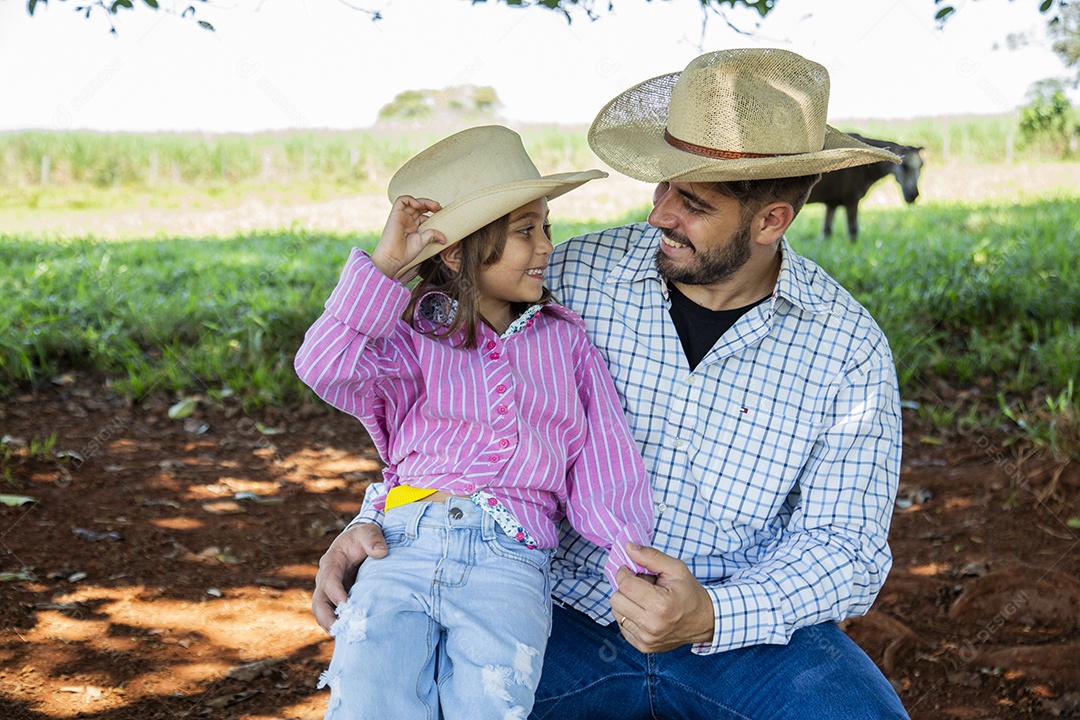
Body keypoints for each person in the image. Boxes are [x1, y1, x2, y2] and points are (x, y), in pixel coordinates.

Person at [310, 48, 911, 719]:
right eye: (661, 186)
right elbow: (444, 401)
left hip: (740, 639)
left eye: (692, 202)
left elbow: (848, 548)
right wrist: (379, 521)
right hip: (547, 603)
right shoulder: (568, 277)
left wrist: (710, 612)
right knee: (415, 692)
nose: (658, 215)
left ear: (770, 220)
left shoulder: (846, 349)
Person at [294, 125, 655, 719]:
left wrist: (627, 560)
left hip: (509, 563)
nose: (545, 246)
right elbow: (324, 367)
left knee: (489, 707)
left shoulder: (564, 341)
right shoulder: (411, 333)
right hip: (400, 546)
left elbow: (603, 468)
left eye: (546, 227)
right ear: (458, 250)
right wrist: (385, 267)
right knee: (368, 701)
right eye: (525, 231)